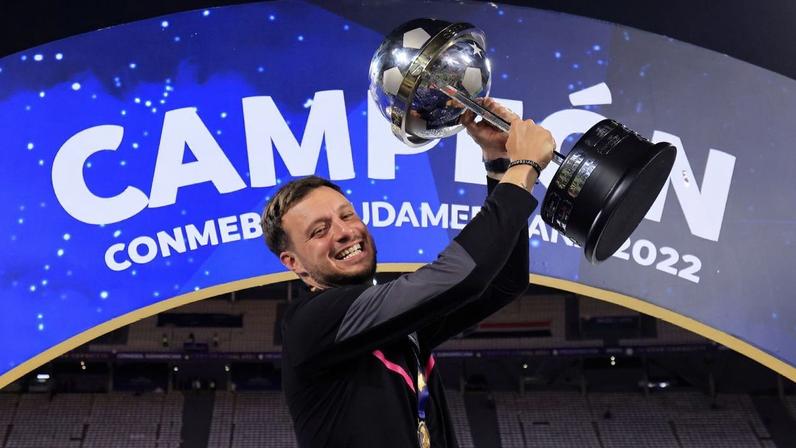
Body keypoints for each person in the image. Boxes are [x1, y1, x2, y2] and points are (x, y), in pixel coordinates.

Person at [260, 99, 555, 447]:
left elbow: (504, 282)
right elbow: (462, 274)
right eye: (319, 231)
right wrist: (523, 168)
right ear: (293, 263)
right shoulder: (312, 321)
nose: (344, 232)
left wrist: (499, 163)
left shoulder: (389, 325)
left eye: (347, 215)